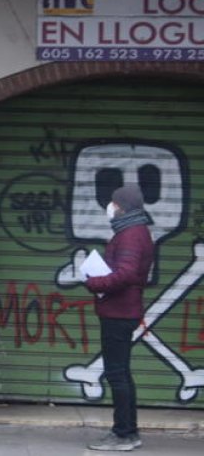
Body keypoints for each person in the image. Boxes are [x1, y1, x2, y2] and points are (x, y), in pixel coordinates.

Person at [84, 184, 155, 453]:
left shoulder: (131, 234)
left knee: (117, 374)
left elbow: (125, 273)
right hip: (122, 309)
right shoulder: (134, 231)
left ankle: (124, 434)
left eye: (113, 202)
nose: (110, 207)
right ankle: (128, 431)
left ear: (121, 206)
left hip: (119, 311)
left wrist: (95, 283)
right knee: (121, 372)